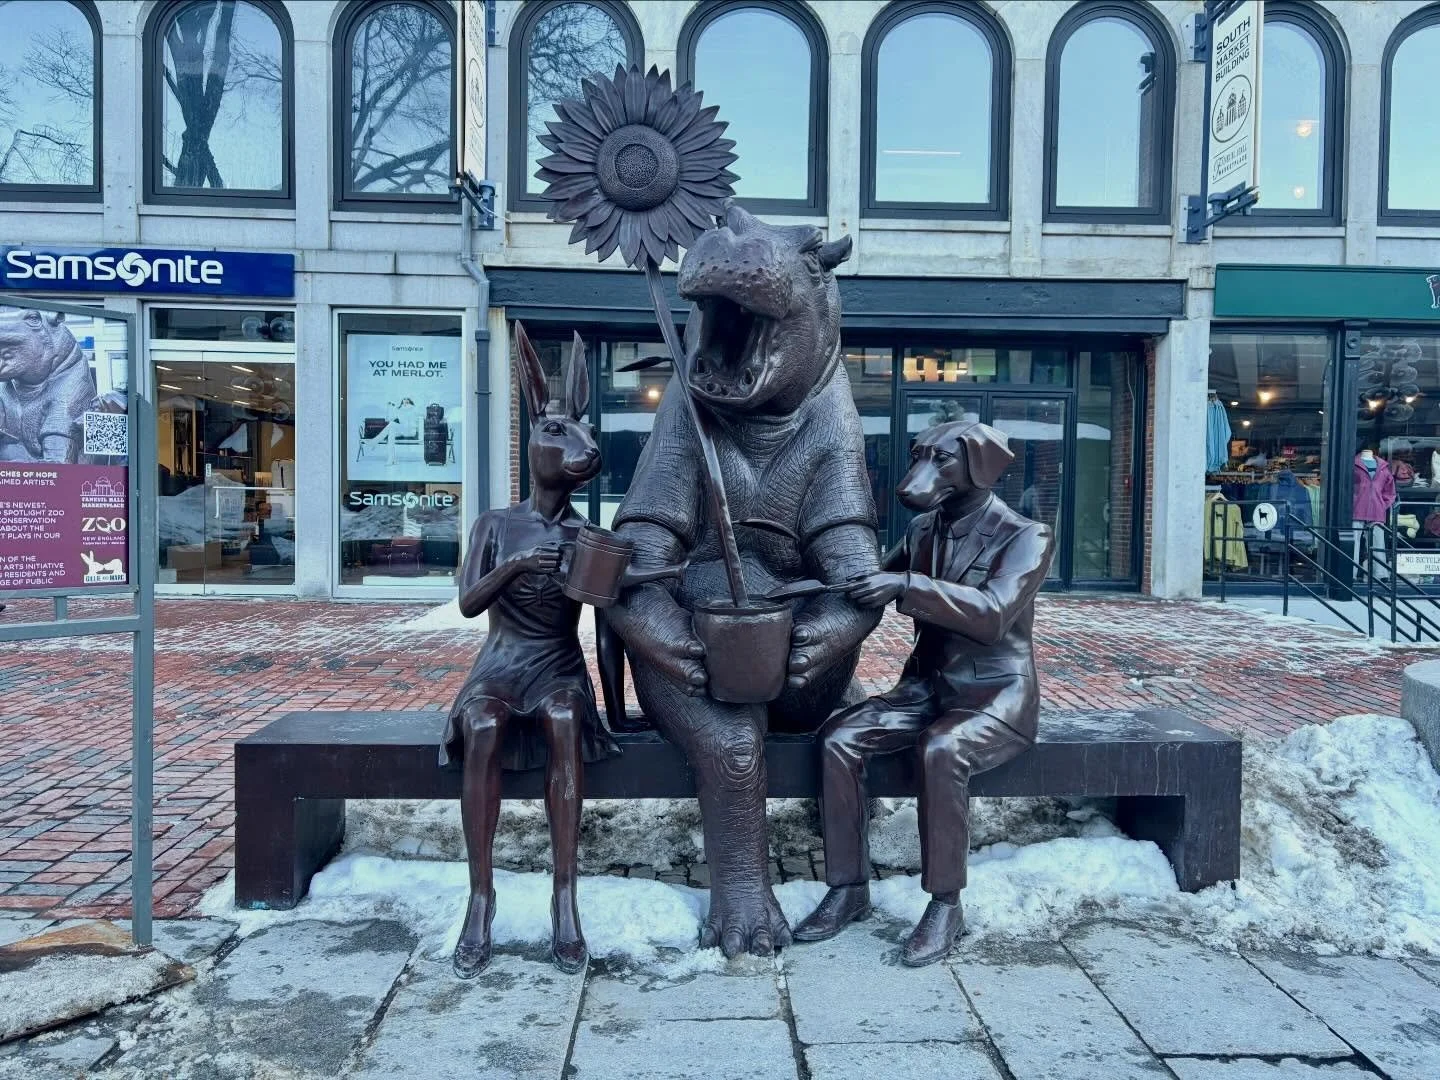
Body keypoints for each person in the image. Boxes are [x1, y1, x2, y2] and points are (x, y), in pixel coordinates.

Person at [794, 420, 1054, 966]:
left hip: (996, 694)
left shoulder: (1026, 536)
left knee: (942, 748)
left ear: (980, 466)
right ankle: (847, 888)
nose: (923, 474)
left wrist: (908, 586)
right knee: (839, 737)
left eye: (942, 461)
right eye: (921, 458)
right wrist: (794, 586)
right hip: (926, 689)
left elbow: (991, 616)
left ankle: (945, 903)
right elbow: (864, 583)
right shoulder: (921, 532)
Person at [368, 397, 420, 466]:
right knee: (391, 432)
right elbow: (389, 419)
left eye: (407, 399)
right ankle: (391, 459)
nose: (406, 400)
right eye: (404, 399)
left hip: (410, 431)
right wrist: (389, 408)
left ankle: (374, 442)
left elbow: (418, 417)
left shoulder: (413, 408)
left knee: (392, 425)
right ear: (402, 401)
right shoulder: (399, 410)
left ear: (410, 401)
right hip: (402, 430)